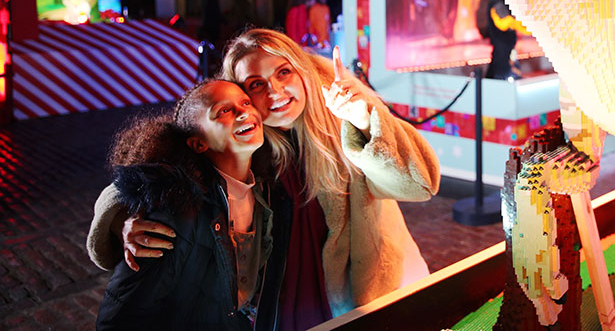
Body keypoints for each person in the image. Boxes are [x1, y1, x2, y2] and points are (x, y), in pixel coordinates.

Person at [88, 29, 441, 330]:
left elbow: (420, 183)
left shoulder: (342, 112)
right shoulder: (239, 134)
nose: (275, 91)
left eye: (284, 72)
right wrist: (125, 220)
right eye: (256, 84)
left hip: (357, 287)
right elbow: (150, 170)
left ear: (301, 71)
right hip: (276, 291)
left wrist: (364, 121)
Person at [96, 80, 281, 330]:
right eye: (224, 111)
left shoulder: (264, 188)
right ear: (198, 143)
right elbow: (120, 317)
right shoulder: (178, 210)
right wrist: (118, 220)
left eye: (246, 102)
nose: (243, 112)